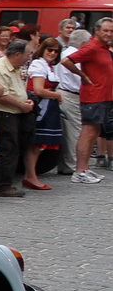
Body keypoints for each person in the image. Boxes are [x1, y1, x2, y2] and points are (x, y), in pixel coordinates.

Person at [63, 17, 113, 183]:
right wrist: (82, 75)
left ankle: (85, 168)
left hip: (103, 97)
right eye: (105, 30)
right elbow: (66, 61)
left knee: (94, 132)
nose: (108, 34)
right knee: (88, 132)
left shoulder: (103, 48)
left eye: (111, 31)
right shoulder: (92, 47)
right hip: (93, 97)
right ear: (97, 31)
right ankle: (79, 171)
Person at [0, 38, 34, 196]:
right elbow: (1, 95)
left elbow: (17, 89)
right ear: (18, 54)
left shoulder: (16, 67)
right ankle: (1, 185)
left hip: (15, 112)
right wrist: (21, 105)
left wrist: (25, 100)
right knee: (8, 149)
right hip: (4, 113)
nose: (29, 57)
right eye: (28, 54)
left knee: (12, 148)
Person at [24, 38, 64, 190]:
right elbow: (38, 89)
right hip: (41, 106)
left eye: (56, 51)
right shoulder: (38, 64)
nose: (53, 53)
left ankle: (31, 175)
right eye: (50, 49)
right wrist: (57, 96)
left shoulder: (47, 66)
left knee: (38, 144)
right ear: (43, 49)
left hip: (47, 106)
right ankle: (30, 176)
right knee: (34, 143)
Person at [55, 26, 87, 178]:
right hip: (70, 95)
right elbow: (80, 78)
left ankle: (67, 163)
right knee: (74, 132)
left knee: (70, 131)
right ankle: (72, 164)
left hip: (65, 93)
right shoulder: (75, 55)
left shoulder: (66, 52)